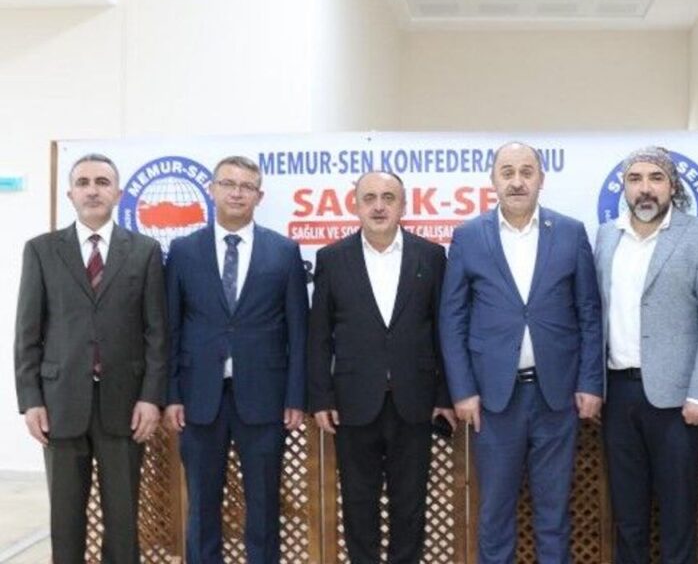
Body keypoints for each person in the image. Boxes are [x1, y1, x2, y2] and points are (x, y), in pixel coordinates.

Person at [439, 141, 603, 564]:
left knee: (554, 513)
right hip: (494, 401)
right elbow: (452, 319)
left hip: (557, 398)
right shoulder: (469, 236)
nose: (517, 181)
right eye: (507, 172)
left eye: (526, 172)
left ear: (541, 179)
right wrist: (462, 391)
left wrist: (590, 382)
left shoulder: (570, 232)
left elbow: (589, 313)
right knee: (494, 514)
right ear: (493, 180)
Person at [15, 153, 167, 564]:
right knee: (65, 518)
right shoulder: (42, 250)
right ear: (70, 194)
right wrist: (31, 400)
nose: (93, 190)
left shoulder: (145, 251)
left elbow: (157, 333)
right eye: (83, 182)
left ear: (118, 193)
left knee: (123, 517)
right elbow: (27, 333)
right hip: (60, 403)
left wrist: (151, 397)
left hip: (125, 403)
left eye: (102, 182)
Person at [163, 155, 308, 564]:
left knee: (264, 504)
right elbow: (171, 329)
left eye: (246, 186)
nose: (237, 193)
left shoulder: (284, 251)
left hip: (265, 398)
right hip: (199, 397)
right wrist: (172, 395)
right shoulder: (183, 251)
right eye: (228, 184)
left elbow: (298, 330)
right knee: (202, 504)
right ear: (212, 190)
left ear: (259, 196)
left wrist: (295, 396)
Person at [307, 171, 454, 563]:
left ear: (404, 205)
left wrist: (444, 396)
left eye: (388, 197)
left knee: (411, 505)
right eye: (369, 197)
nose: (378, 206)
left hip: (415, 402)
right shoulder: (332, 258)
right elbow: (318, 335)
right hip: (352, 404)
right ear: (355, 205)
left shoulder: (431, 256)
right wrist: (321, 397)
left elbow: (444, 331)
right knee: (358, 504)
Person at [594, 145, 698, 564]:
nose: (645, 188)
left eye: (655, 178)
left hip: (677, 401)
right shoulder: (607, 235)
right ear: (624, 187)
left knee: (677, 514)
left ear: (672, 185)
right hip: (617, 394)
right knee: (628, 515)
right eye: (635, 179)